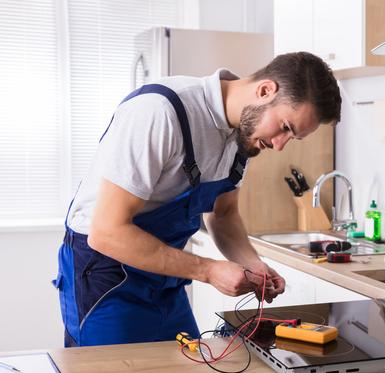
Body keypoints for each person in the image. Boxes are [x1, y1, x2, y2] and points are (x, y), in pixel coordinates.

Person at [53, 51, 342, 347]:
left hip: (165, 280)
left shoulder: (243, 136)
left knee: (190, 369)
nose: (280, 146)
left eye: (292, 138)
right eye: (285, 128)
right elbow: (106, 233)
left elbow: (224, 214)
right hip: (106, 277)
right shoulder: (159, 112)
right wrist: (208, 270)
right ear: (265, 90)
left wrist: (253, 265)